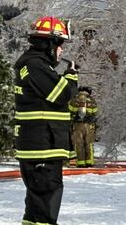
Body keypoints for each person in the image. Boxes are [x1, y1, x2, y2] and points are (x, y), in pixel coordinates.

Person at [14, 16, 79, 225]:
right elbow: (60, 95)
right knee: (46, 204)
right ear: (49, 43)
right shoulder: (35, 65)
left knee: (36, 208)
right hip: (43, 147)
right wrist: (70, 78)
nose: (61, 50)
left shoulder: (33, 65)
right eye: (59, 44)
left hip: (39, 145)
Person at [68, 86, 98, 168]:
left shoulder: (74, 100)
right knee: (89, 144)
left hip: (77, 125)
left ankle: (81, 163)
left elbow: (69, 111)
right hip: (89, 126)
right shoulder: (92, 100)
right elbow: (95, 113)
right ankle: (90, 162)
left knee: (79, 144)